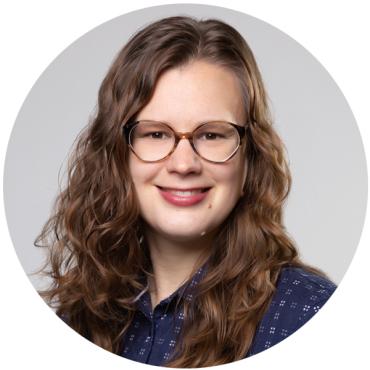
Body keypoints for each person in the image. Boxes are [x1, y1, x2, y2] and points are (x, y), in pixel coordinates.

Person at [34, 16, 336, 368]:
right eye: (156, 134)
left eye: (211, 134)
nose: (183, 164)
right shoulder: (77, 322)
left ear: (250, 155)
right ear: (118, 154)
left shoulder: (310, 317)